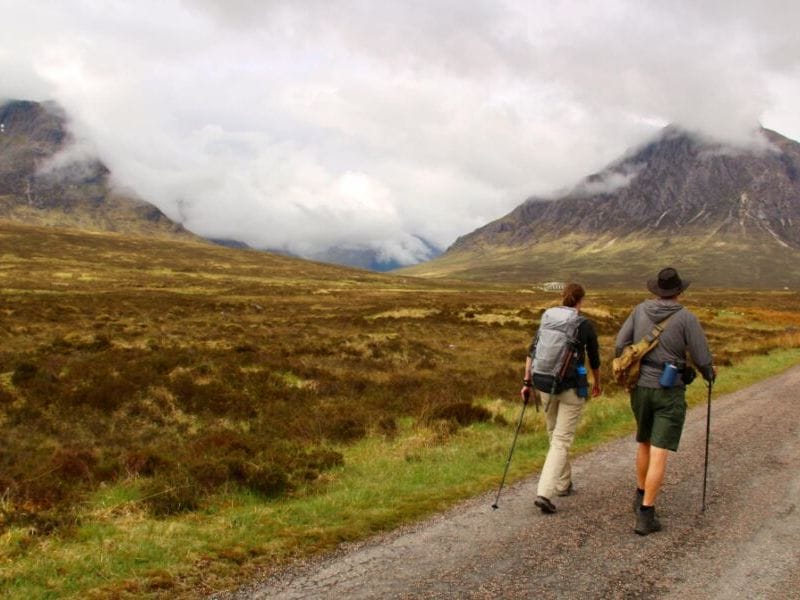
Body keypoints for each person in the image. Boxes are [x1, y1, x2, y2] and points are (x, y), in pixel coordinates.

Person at [615, 267, 715, 535]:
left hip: (640, 388)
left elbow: (620, 343)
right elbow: (702, 357)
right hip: (669, 391)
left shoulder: (639, 311)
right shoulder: (686, 318)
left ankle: (639, 495)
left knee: (644, 441)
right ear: (679, 291)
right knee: (659, 448)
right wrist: (708, 374)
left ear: (656, 290)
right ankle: (646, 515)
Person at [521, 283, 602, 514]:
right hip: (570, 388)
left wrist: (527, 382)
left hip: (543, 384)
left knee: (553, 433)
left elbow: (532, 351)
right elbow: (594, 359)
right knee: (562, 440)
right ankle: (545, 493)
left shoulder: (547, 317)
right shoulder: (583, 324)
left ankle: (563, 483)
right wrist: (597, 382)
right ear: (580, 301)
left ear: (562, 297)